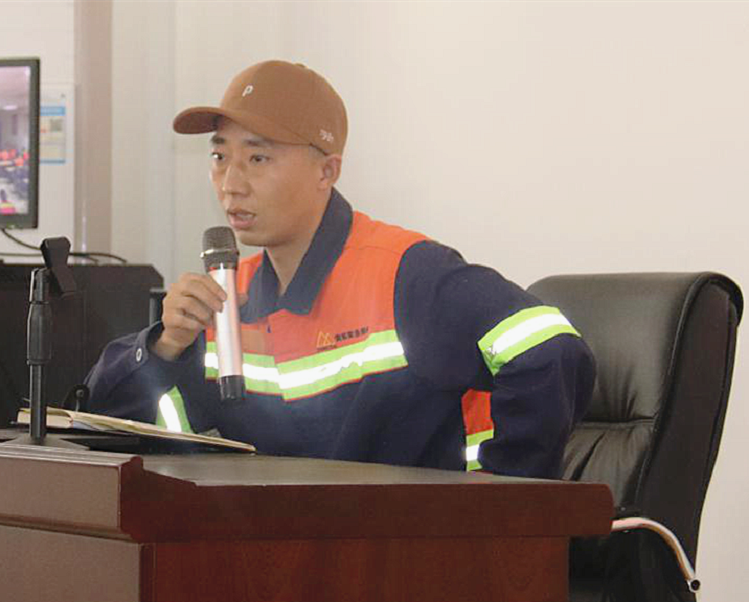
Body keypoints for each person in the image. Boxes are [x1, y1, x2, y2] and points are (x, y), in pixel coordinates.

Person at [84, 60, 595, 478]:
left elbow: (550, 348)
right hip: (288, 555)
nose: (230, 183)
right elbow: (111, 437)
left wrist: (498, 505)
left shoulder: (404, 274)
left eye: (257, 159)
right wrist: (164, 348)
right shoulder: (228, 300)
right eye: (219, 157)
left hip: (410, 558)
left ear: (326, 171)